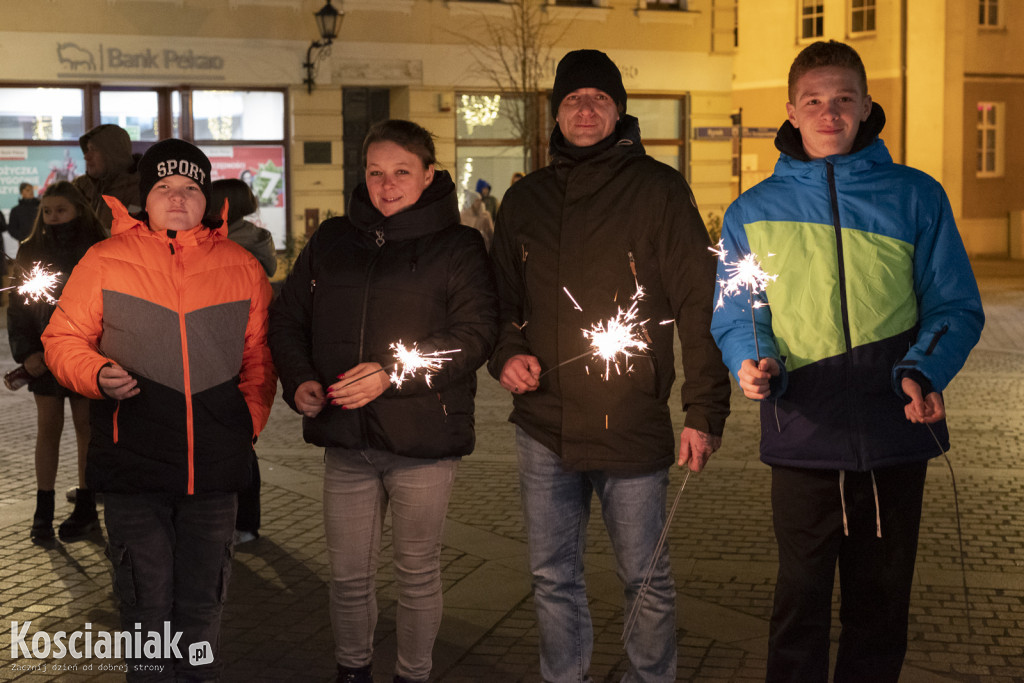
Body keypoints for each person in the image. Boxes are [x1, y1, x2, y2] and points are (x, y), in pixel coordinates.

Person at [710, 40, 985, 683]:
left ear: (865, 106)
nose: (827, 112)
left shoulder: (916, 195)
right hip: (804, 431)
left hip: (896, 432)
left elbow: (955, 305)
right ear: (791, 109)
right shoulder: (751, 211)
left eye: (842, 100)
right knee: (799, 606)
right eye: (813, 100)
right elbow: (738, 313)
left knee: (881, 610)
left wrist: (922, 372)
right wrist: (752, 361)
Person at [489, 49, 731, 681]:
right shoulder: (527, 199)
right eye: (573, 100)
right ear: (556, 115)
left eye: (599, 98)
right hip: (543, 425)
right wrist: (506, 353)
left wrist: (704, 411)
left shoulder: (659, 189)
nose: (586, 109)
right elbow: (499, 304)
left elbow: (698, 305)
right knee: (551, 576)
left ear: (620, 110)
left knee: (645, 579)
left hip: (631, 419)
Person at [268, 119, 497, 683]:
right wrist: (299, 379)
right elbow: (288, 317)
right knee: (347, 575)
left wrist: (393, 374)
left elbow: (474, 336)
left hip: (423, 440)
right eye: (375, 173)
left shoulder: (460, 245)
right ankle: (353, 670)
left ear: (429, 175)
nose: (386, 185)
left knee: (416, 571)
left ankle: (412, 674)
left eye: (401, 172)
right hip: (346, 438)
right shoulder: (332, 240)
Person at [42, 138, 277, 681]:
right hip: (134, 470)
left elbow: (260, 358)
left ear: (207, 198)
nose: (178, 197)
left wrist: (246, 425)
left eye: (191, 188)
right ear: (145, 197)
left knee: (201, 613)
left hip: (214, 475)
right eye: (165, 187)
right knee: (145, 614)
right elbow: (63, 339)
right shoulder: (103, 261)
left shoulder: (241, 267)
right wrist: (97, 375)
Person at [8, 181, 107, 543]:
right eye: (47, 211)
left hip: (85, 356)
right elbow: (19, 308)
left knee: (86, 429)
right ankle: (43, 509)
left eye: (60, 210)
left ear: (78, 210)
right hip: (44, 359)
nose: (52, 217)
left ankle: (85, 506)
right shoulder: (30, 249)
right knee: (48, 428)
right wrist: (28, 352)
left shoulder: (97, 249)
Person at [209, 177, 277, 545]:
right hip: (238, 348)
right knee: (239, 441)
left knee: (237, 441)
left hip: (233, 350)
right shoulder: (254, 239)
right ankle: (243, 523)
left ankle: (243, 523)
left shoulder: (232, 247)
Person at [72, 124, 141, 234]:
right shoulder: (80, 186)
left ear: (112, 153)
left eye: (93, 150)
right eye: (87, 150)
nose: (86, 156)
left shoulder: (139, 189)